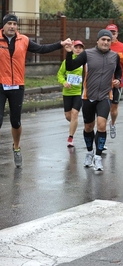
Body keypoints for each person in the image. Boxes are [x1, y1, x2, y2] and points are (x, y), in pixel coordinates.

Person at [0, 13, 72, 168]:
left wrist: (61, 44)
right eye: (9, 23)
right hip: (0, 85)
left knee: (15, 121)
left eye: (14, 24)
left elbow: (42, 49)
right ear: (3, 26)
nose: (12, 26)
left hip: (17, 86)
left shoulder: (23, 40)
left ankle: (17, 147)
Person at [65, 29, 122, 171]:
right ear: (97, 41)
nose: (106, 42)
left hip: (105, 96)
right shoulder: (87, 54)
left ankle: (98, 157)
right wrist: (68, 52)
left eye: (108, 40)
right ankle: (90, 152)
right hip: (88, 97)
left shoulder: (115, 56)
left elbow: (119, 74)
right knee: (88, 127)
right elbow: (70, 66)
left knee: (101, 125)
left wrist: (117, 81)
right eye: (103, 39)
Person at [57, 40, 85, 148]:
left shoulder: (84, 62)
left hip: (79, 92)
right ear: (72, 48)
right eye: (76, 47)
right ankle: (75, 123)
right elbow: (60, 74)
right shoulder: (67, 61)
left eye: (80, 47)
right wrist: (64, 82)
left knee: (74, 113)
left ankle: (70, 137)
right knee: (68, 116)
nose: (78, 49)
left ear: (83, 49)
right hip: (67, 92)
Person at [106, 24, 123, 139]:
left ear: (117, 34)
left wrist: (122, 58)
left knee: (113, 108)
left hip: (117, 82)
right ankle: (101, 131)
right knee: (102, 108)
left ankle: (112, 124)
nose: (112, 35)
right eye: (109, 32)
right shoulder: (103, 45)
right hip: (103, 82)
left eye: (114, 33)